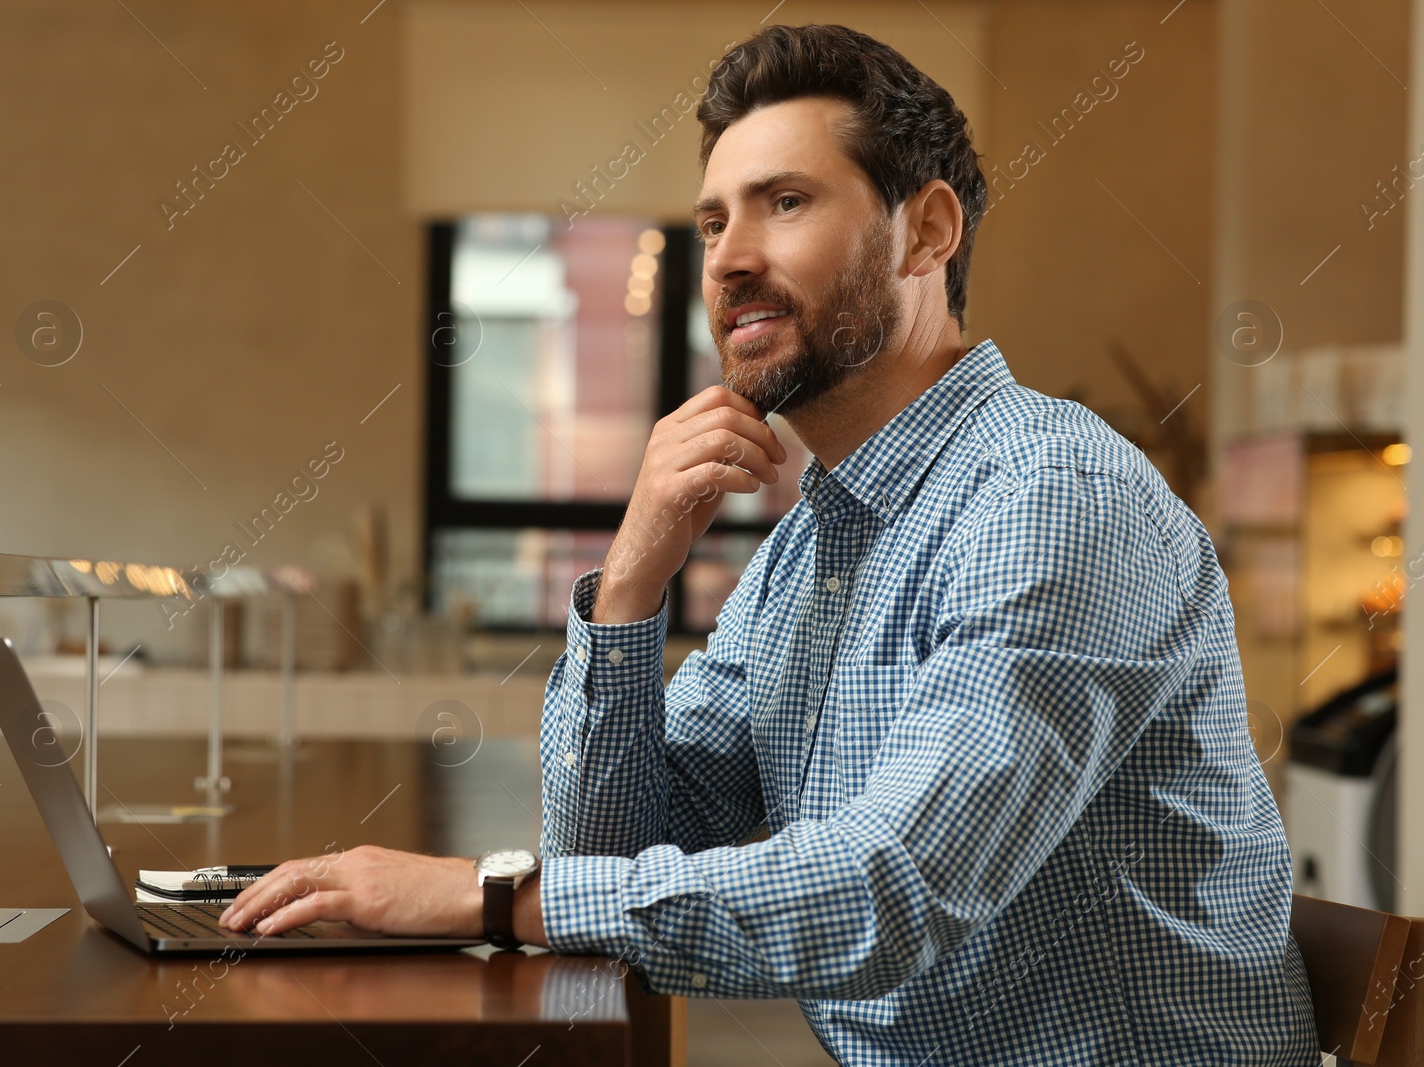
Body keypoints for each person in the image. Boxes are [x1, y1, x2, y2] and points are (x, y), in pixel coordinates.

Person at [223, 23, 1320, 1065]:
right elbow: (612, 850)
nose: (730, 259)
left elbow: (895, 886)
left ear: (926, 231)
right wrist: (635, 577)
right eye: (711, 224)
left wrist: (487, 892)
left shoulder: (1051, 496)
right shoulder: (813, 543)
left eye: (784, 202)